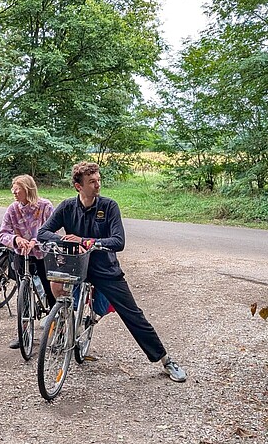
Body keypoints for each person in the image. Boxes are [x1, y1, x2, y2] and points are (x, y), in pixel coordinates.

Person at [37, 161, 187, 383]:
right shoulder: (68, 206)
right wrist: (64, 239)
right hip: (76, 267)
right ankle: (62, 328)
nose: (97, 185)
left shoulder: (109, 206)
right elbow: (43, 232)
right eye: (92, 182)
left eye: (98, 180)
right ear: (78, 186)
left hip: (104, 268)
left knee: (132, 314)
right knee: (57, 289)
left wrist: (85, 241)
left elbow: (118, 241)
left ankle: (165, 360)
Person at [0, 174, 56, 350]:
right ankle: (23, 333)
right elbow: (3, 233)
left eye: (18, 188)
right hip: (22, 254)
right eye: (13, 188)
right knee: (23, 293)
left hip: (43, 254)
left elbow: (51, 230)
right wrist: (16, 239)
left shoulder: (45, 206)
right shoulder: (12, 209)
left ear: (28, 190)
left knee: (51, 289)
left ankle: (58, 328)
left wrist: (35, 242)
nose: (14, 192)